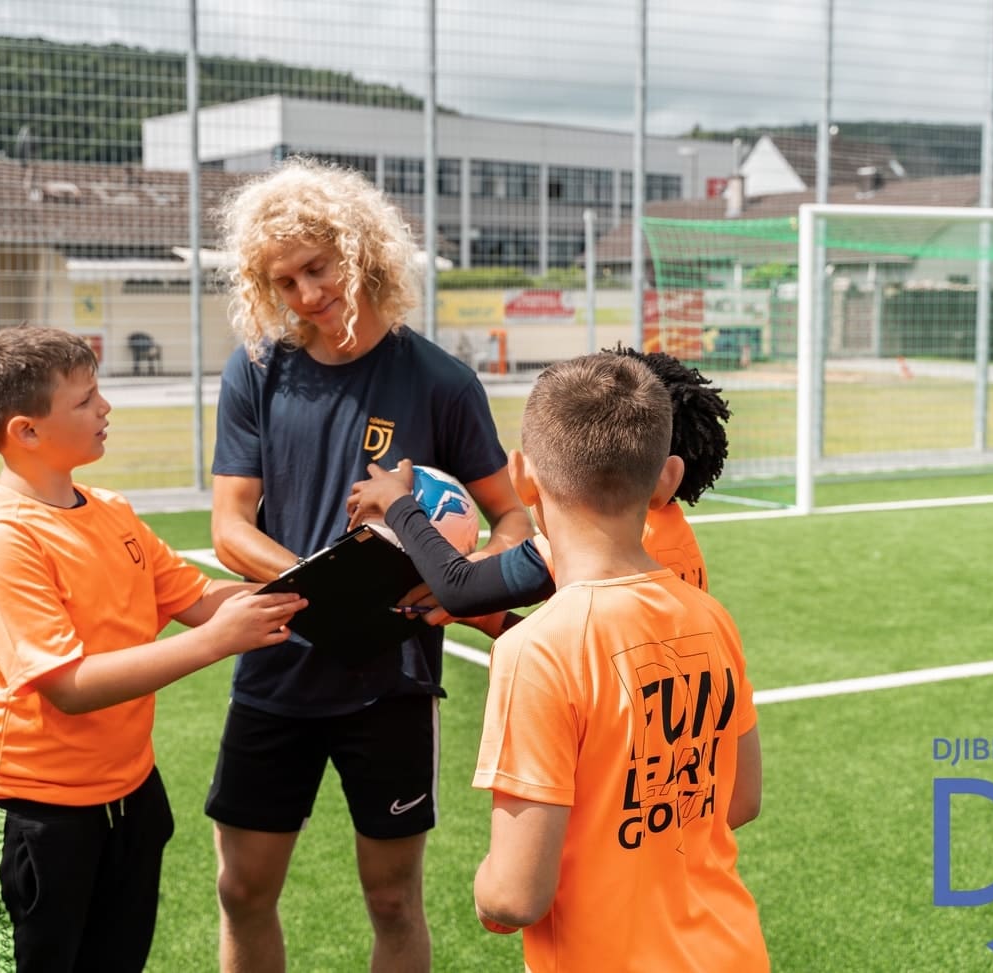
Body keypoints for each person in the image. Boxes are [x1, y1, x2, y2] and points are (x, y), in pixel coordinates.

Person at [207, 157, 532, 973]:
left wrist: (466, 586)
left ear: (360, 251)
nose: (305, 293)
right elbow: (229, 527)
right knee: (241, 890)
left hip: (392, 680)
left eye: (316, 267)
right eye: (283, 281)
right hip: (277, 667)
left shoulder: (440, 381)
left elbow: (512, 517)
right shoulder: (257, 369)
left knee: (392, 899)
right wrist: (325, 591)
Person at [0, 325, 306, 973]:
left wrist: (323, 585)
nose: (105, 407)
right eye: (85, 400)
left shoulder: (110, 509)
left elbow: (199, 598)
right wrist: (213, 644)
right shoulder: (0, 538)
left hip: (130, 797)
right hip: (32, 811)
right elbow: (69, 685)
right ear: (26, 431)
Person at [470, 353, 766, 972]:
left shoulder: (537, 650)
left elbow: (515, 896)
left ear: (523, 479)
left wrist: (488, 889)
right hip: (731, 953)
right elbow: (738, 802)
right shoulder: (711, 617)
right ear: (667, 479)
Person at [347, 346, 730, 634]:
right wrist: (494, 620)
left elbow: (459, 588)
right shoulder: (677, 539)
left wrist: (397, 502)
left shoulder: (601, 538)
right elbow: (593, 662)